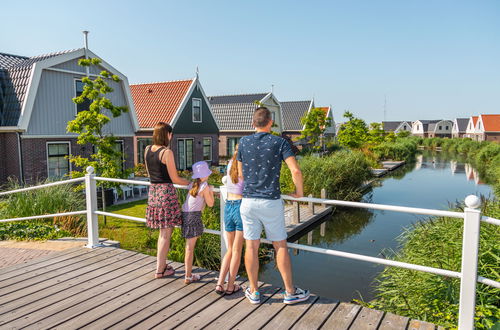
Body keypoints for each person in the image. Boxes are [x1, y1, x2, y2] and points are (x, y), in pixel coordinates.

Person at [237, 107, 310, 305]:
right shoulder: (280, 142)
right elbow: (296, 171)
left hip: (248, 202)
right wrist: (299, 194)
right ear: (270, 123)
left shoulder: (243, 142)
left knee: (251, 246)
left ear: (253, 124)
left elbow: (241, 175)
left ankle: (253, 291)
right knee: (280, 246)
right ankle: (290, 292)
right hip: (270, 202)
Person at [144, 122, 190, 279]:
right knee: (165, 234)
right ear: (167, 135)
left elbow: (151, 173)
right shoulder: (167, 152)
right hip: (166, 194)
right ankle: (159, 270)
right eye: (171, 134)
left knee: (161, 233)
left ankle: (161, 266)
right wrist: (192, 183)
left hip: (153, 193)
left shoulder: (147, 150)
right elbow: (175, 178)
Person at [215, 145, 244, 295]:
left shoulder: (229, 164)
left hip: (228, 206)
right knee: (237, 251)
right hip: (240, 206)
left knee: (230, 250)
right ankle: (231, 286)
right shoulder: (244, 165)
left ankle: (220, 283)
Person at [181, 161, 215, 284]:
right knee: (190, 248)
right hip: (194, 217)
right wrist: (211, 191)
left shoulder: (192, 185)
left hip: (185, 216)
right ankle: (188, 276)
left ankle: (188, 274)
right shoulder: (204, 186)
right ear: (204, 175)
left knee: (188, 247)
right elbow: (211, 204)